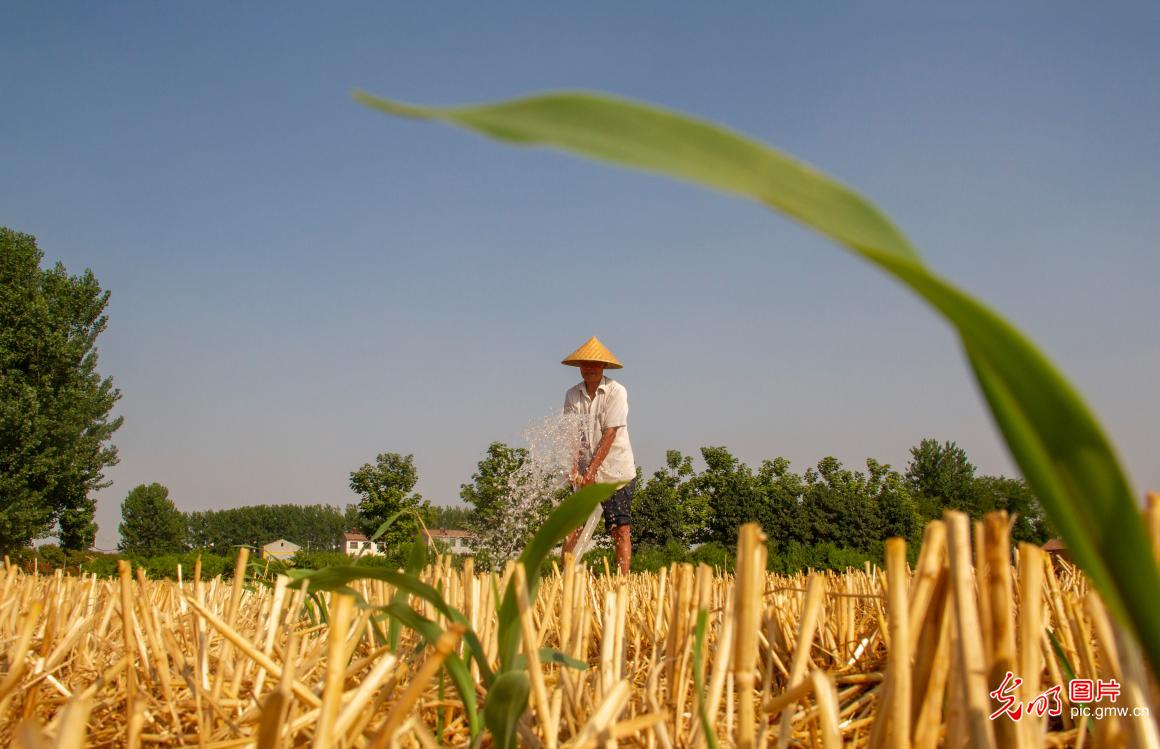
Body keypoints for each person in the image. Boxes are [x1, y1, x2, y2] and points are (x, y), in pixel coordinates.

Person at [560, 336, 636, 574]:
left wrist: (592, 471)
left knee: (620, 528)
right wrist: (575, 468)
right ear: (580, 367)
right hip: (586, 474)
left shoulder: (616, 391)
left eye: (595, 364)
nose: (590, 368)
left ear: (603, 367)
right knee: (572, 527)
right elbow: (574, 436)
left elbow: (610, 433)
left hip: (616, 472)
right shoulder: (573, 395)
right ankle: (565, 580)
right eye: (586, 364)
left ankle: (622, 581)